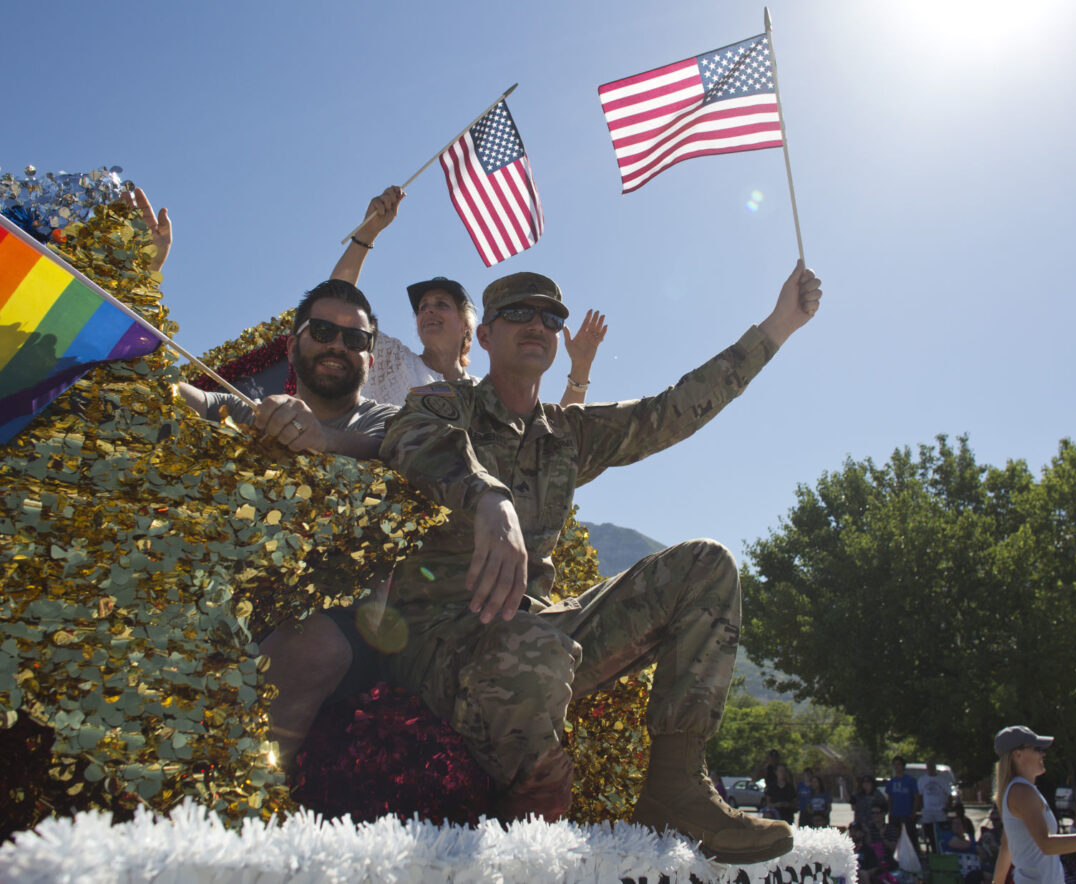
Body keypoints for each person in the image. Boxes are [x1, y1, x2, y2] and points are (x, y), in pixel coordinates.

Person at [375, 261, 823, 864]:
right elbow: (413, 446)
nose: (538, 324)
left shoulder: (567, 433)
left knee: (704, 567)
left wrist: (778, 325)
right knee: (534, 651)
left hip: (534, 630)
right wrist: (489, 497)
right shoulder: (440, 405)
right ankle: (520, 834)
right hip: (442, 641)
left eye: (551, 316)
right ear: (483, 336)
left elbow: (673, 410)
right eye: (518, 313)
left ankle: (675, 788)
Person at [176, 279, 401, 762]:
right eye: (322, 330)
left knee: (311, 643)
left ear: (371, 360)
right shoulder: (249, 411)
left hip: (343, 624)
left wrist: (324, 439)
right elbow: (178, 396)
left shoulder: (390, 422)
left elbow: (389, 449)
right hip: (237, 602)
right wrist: (141, 293)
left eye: (355, 339)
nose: (338, 345)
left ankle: (240, 805)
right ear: (292, 344)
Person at [330, 185, 607, 406]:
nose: (428, 311)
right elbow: (336, 306)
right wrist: (368, 233)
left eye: (441, 304)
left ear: (467, 326)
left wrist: (580, 368)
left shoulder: (489, 394)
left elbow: (556, 441)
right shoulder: (393, 360)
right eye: (423, 307)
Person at [991, 725, 1076, 884]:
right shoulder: (1021, 792)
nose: (1043, 753)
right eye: (1037, 749)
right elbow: (1046, 845)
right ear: (1017, 754)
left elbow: (1006, 846)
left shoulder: (1020, 790)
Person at [886, 755, 921, 855]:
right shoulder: (892, 782)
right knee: (895, 837)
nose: (897, 767)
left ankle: (914, 857)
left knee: (911, 838)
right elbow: (890, 798)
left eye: (899, 764)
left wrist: (914, 812)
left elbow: (916, 797)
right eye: (895, 765)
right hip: (895, 814)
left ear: (903, 766)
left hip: (907, 814)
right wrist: (890, 812)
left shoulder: (910, 781)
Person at [920, 759, 953, 853]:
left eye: (932, 765)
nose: (930, 767)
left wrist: (947, 807)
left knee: (942, 832)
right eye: (928, 766)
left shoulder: (942, 780)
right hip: (928, 811)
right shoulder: (922, 780)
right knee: (929, 833)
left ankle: (942, 850)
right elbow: (920, 796)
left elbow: (949, 795)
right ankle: (932, 851)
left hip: (940, 810)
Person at [943, 813, 986, 884]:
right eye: (954, 824)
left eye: (958, 824)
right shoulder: (949, 837)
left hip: (974, 868)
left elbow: (982, 854)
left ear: (964, 826)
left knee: (988, 872)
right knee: (976, 877)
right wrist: (972, 845)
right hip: (958, 869)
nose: (956, 826)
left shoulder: (969, 836)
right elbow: (964, 845)